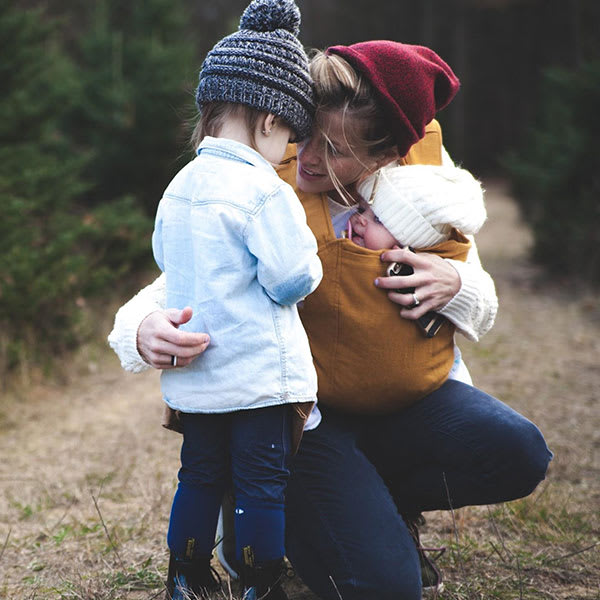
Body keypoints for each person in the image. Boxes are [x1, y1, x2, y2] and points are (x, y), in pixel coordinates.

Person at [109, 39, 553, 600]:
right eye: (306, 135)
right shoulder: (263, 181)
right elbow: (181, 276)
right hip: (301, 419)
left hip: (403, 404)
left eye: (337, 149)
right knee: (385, 589)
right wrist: (140, 328)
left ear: (387, 153)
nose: (311, 158)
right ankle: (266, 503)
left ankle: (378, 505)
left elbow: (483, 302)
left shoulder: (422, 189)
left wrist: (456, 285)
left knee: (518, 451)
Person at [150, 1, 322, 598]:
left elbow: (166, 263)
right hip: (257, 376)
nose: (291, 152)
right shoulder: (262, 188)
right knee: (259, 485)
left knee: (198, 475)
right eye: (293, 137)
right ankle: (259, 581)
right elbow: (291, 279)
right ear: (272, 120)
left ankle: (186, 576)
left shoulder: (179, 186)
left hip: (198, 378)